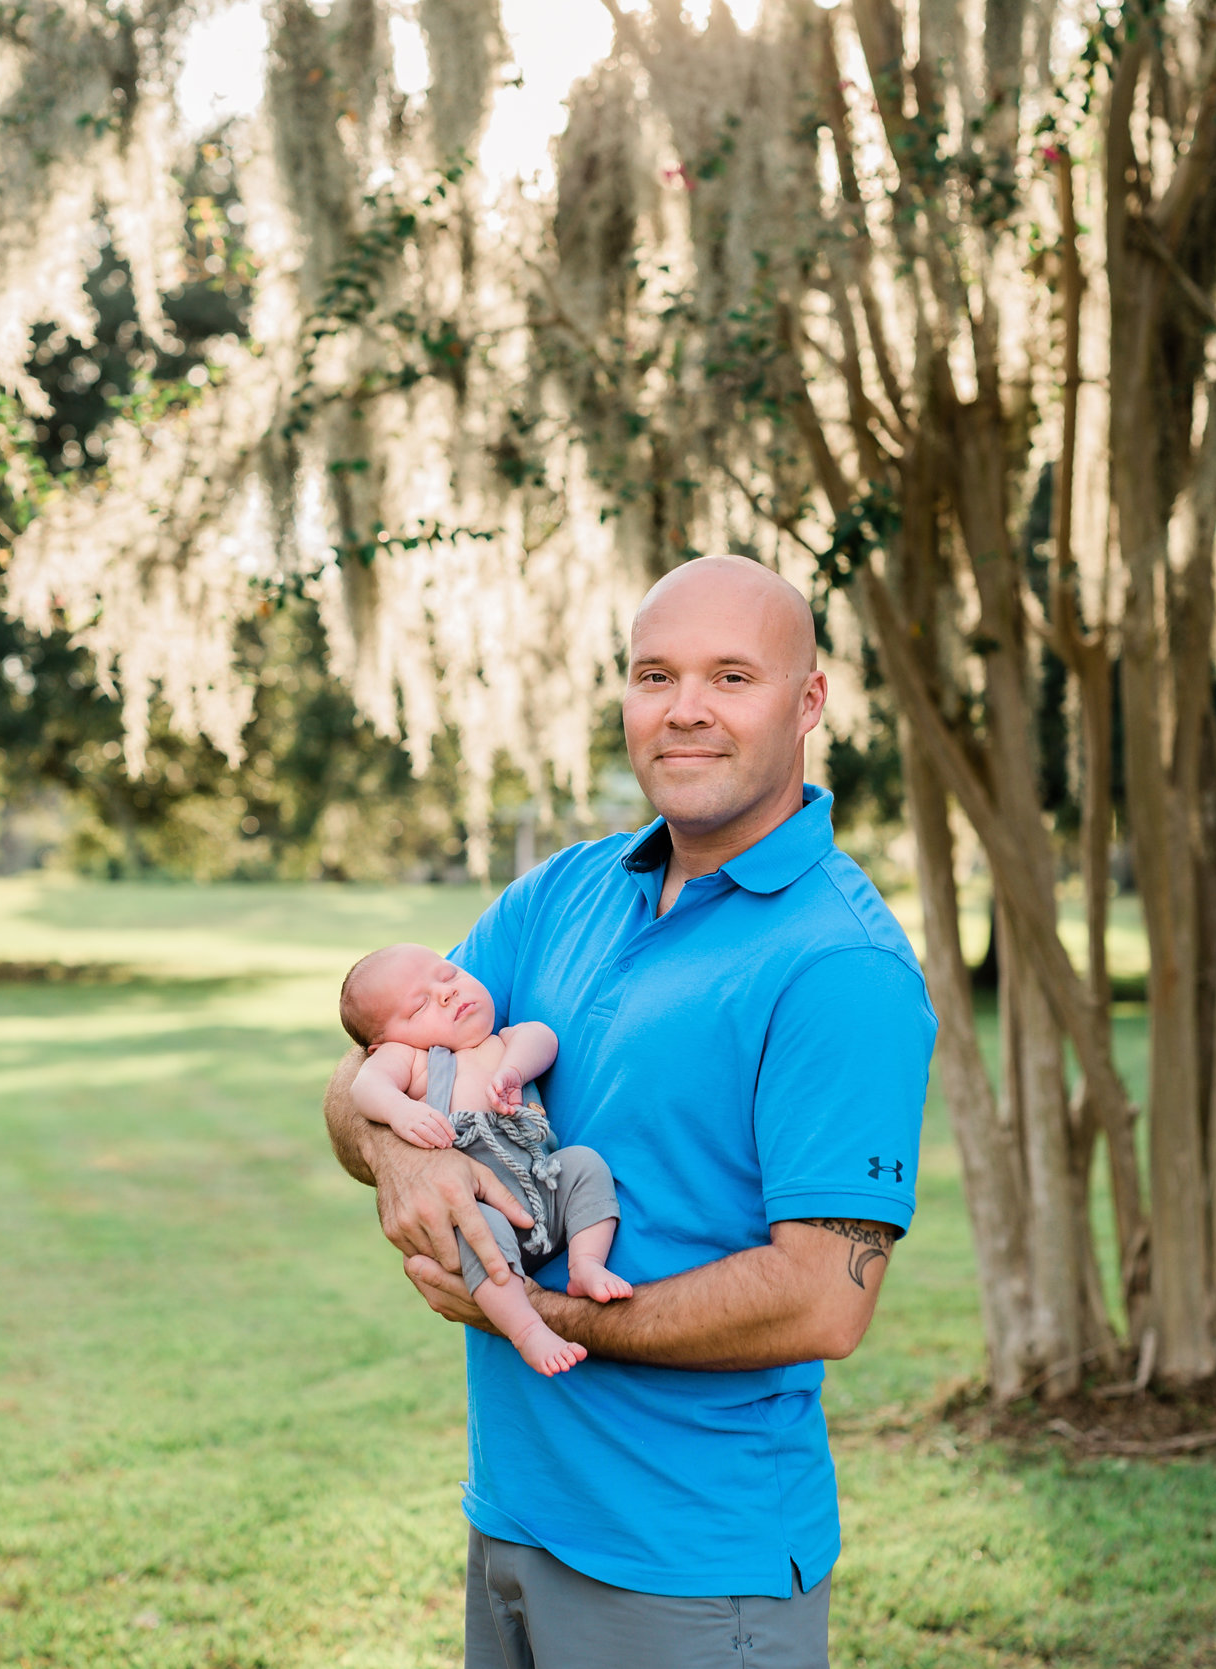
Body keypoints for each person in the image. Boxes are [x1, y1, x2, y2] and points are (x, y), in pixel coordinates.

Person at [321, 555, 938, 1669]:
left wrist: (539, 1314)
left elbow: (821, 1304)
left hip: (692, 1572)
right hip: (513, 1518)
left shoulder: (839, 964)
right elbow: (369, 1066)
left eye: (731, 676)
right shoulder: (566, 889)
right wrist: (406, 1162)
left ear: (807, 704)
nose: (685, 709)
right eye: (655, 675)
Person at [338, 943, 628, 1375]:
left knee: (584, 1164)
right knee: (477, 1232)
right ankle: (529, 1329)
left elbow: (542, 1039)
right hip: (486, 1212)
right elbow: (365, 1087)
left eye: (449, 975)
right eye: (419, 1007)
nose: (447, 994)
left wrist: (513, 1069)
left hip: (544, 1187)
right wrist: (402, 1110)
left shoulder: (503, 1042)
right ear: (384, 1042)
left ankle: (585, 1263)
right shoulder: (413, 1059)